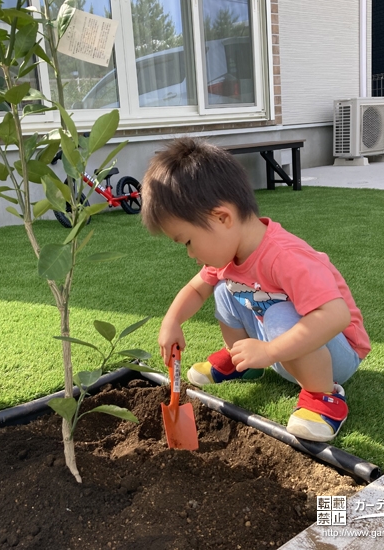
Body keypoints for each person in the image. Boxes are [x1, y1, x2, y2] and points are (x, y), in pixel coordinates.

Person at [141, 138, 370, 442]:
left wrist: (270, 351)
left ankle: (323, 397)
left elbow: (335, 316)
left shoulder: (285, 256)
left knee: (275, 314)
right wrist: (172, 321)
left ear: (222, 217)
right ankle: (242, 363)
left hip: (335, 353)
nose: (190, 254)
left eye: (187, 242)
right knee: (224, 289)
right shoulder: (228, 256)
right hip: (283, 346)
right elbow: (197, 289)